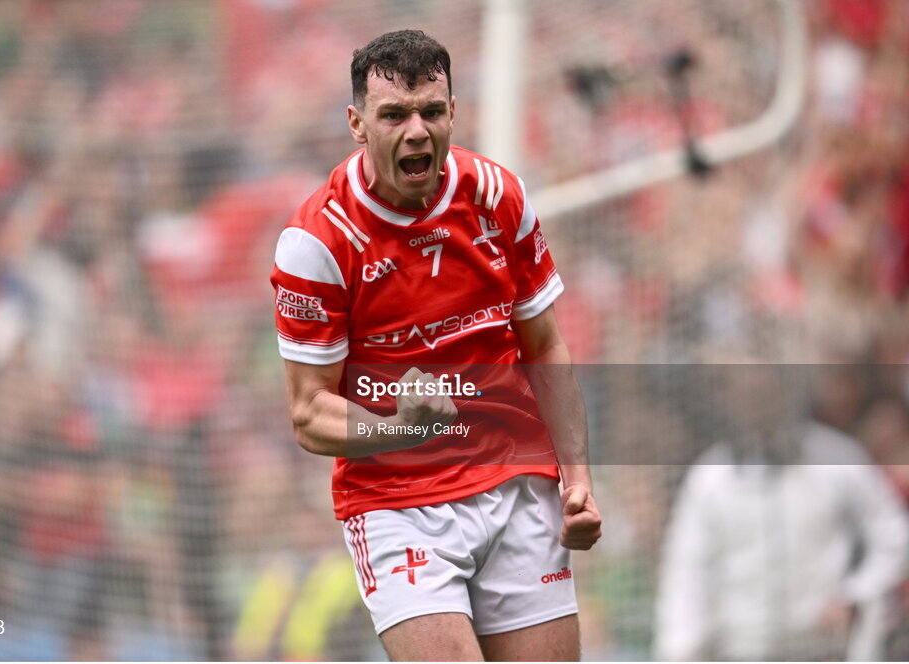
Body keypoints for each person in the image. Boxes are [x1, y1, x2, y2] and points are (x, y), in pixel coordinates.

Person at [269, 30, 601, 661]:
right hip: (398, 508)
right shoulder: (316, 242)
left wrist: (577, 480)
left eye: (431, 110)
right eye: (393, 114)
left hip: (516, 481)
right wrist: (401, 429)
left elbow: (545, 345)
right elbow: (308, 413)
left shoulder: (499, 197)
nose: (416, 130)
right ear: (357, 124)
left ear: (454, 112)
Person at [654, 365, 909, 661]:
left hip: (824, 650)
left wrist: (857, 594)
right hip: (740, 652)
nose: (755, 403)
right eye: (745, 394)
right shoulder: (710, 479)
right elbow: (687, 574)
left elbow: (893, 535)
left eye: (764, 392)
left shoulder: (837, 459)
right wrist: (678, 653)